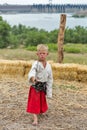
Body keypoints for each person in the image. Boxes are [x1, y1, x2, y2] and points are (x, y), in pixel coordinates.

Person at [26, 44, 53, 125]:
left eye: (44, 53)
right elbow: (32, 71)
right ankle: (35, 118)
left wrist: (49, 91)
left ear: (47, 54)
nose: (42, 55)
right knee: (35, 101)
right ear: (37, 54)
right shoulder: (36, 64)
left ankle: (42, 112)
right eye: (40, 53)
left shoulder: (48, 66)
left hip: (43, 86)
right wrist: (33, 77)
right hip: (36, 86)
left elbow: (50, 78)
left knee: (41, 100)